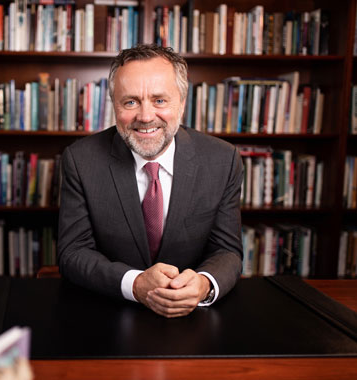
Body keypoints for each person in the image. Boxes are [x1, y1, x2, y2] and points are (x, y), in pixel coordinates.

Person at [57, 44, 243, 318]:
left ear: (181, 103)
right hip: (106, 316)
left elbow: (227, 251)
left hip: (194, 319)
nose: (145, 117)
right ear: (114, 105)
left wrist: (204, 284)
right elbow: (73, 252)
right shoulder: (80, 160)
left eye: (159, 100)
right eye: (130, 102)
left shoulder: (223, 160)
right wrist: (135, 284)